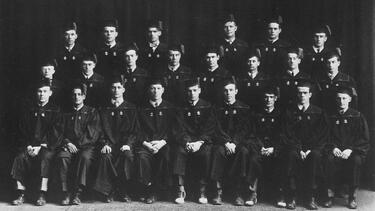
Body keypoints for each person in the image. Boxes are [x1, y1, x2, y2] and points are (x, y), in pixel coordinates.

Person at [11, 81, 61, 206]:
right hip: (29, 146)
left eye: (45, 91)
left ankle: (42, 193)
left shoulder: (55, 110)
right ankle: (20, 193)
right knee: (20, 157)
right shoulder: (28, 109)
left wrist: (41, 146)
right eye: (39, 91)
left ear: (50, 93)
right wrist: (27, 145)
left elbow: (56, 131)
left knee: (46, 158)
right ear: (36, 93)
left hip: (47, 146)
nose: (42, 94)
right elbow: (22, 130)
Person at [210, 79, 260, 206]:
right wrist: (226, 142)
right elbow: (215, 128)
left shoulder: (244, 108)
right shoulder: (217, 108)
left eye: (231, 90)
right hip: (222, 143)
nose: (228, 93)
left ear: (236, 91)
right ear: (223, 92)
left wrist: (235, 142)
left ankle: (238, 192)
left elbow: (245, 130)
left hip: (239, 143)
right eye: (226, 90)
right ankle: (218, 191)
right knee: (218, 151)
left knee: (243, 152)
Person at [282, 82, 329, 210]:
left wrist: (309, 150)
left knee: (315, 156)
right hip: (294, 147)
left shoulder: (318, 113)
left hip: (313, 149)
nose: (302, 95)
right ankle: (292, 196)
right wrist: (299, 149)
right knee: (291, 155)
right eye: (299, 93)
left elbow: (321, 135)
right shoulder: (289, 112)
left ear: (310, 95)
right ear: (296, 94)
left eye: (305, 93)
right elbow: (287, 134)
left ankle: (311, 197)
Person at [93, 77, 139, 203]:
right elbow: (99, 129)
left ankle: (122, 189)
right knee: (105, 156)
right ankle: (109, 191)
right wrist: (104, 143)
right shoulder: (103, 108)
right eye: (113, 87)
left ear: (124, 89)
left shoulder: (131, 108)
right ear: (110, 89)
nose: (116, 90)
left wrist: (128, 144)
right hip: (108, 143)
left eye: (119, 87)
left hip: (124, 144)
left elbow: (134, 130)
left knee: (127, 156)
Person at [135, 79, 181, 204]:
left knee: (165, 155)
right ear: (148, 90)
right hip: (146, 144)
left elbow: (174, 130)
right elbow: (137, 130)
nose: (155, 91)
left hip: (164, 144)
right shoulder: (141, 109)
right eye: (152, 88)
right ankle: (147, 189)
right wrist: (147, 144)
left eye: (158, 88)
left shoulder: (170, 108)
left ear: (163, 90)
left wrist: (162, 142)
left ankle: (159, 190)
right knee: (141, 157)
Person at [323, 87, 369, 209]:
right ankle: (329, 195)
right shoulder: (330, 117)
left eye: (344, 98)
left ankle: (352, 197)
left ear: (349, 99)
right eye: (339, 99)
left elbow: (363, 139)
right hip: (335, 150)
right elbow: (324, 136)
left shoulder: (357, 116)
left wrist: (351, 149)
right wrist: (332, 148)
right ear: (335, 100)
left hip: (353, 151)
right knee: (328, 159)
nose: (341, 101)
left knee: (356, 160)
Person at [172, 79, 216, 204]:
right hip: (186, 142)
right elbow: (179, 128)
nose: (192, 93)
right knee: (179, 152)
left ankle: (202, 190)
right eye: (189, 91)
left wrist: (199, 142)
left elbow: (210, 128)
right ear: (186, 92)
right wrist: (187, 142)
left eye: (195, 90)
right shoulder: (180, 107)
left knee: (206, 154)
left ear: (200, 91)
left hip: (202, 142)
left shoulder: (207, 106)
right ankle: (180, 190)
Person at [57, 83, 101, 205]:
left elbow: (93, 134)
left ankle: (78, 193)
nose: (76, 97)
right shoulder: (65, 113)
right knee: (63, 157)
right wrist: (68, 143)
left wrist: (78, 145)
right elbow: (59, 132)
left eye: (79, 94)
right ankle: (66, 192)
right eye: (74, 94)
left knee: (85, 157)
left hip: (86, 146)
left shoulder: (92, 112)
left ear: (84, 96)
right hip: (68, 146)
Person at [252, 86, 286, 207]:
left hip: (274, 148)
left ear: (276, 98)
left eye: (271, 97)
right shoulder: (256, 114)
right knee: (252, 159)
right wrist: (260, 146)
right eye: (266, 97)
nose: (268, 100)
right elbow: (253, 133)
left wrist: (274, 148)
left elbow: (283, 134)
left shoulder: (281, 115)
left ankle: (279, 194)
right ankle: (252, 193)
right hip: (259, 147)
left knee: (282, 160)